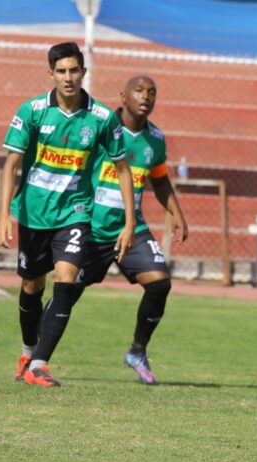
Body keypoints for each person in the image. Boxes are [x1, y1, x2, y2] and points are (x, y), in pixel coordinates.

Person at [0, 42, 136, 387]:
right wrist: (2, 216)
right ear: (51, 74)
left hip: (75, 212)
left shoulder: (102, 118)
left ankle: (40, 365)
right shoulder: (32, 111)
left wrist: (130, 222)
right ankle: (29, 351)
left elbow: (122, 169)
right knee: (31, 285)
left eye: (74, 70)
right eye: (61, 71)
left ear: (83, 72)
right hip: (33, 212)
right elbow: (12, 163)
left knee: (67, 277)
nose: (68, 77)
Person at [72, 75, 188, 384]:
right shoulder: (102, 127)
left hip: (131, 228)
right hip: (91, 228)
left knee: (160, 282)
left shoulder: (155, 139)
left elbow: (160, 180)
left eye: (152, 92)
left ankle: (137, 351)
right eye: (139, 90)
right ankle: (35, 356)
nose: (145, 96)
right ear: (123, 96)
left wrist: (177, 213)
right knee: (66, 291)